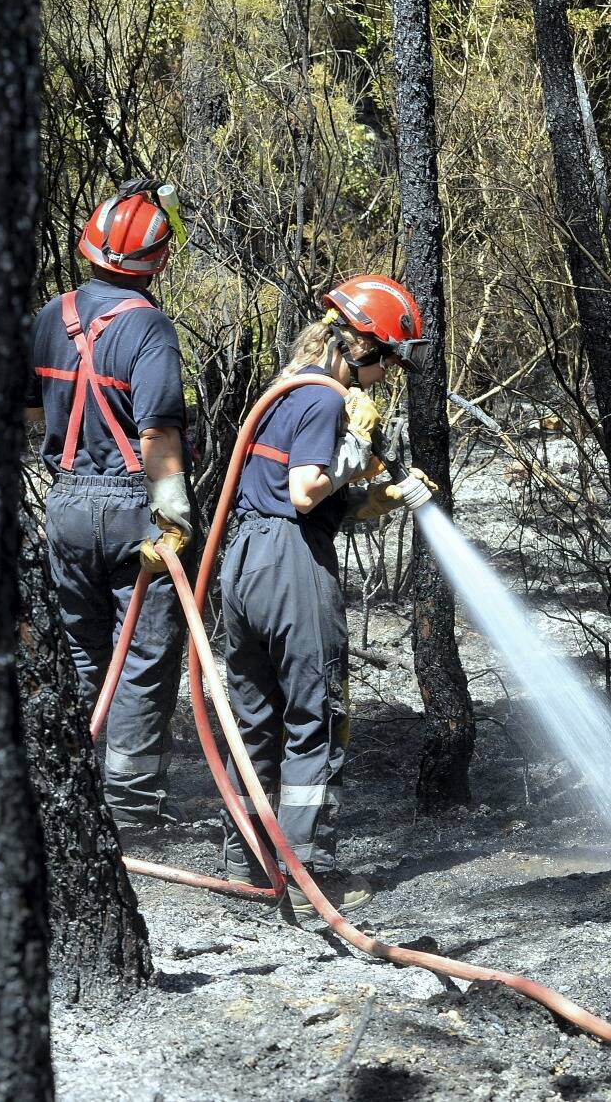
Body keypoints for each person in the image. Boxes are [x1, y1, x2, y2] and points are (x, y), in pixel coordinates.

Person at [222, 274, 435, 916]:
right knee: (315, 715)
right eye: (387, 360)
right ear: (361, 346)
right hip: (290, 564)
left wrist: (376, 494)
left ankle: (248, 862)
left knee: (253, 718)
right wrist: (360, 446)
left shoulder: (284, 390)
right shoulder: (324, 396)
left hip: (243, 562)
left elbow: (289, 488)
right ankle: (301, 866)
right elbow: (304, 491)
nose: (386, 374)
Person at [25, 178, 192, 832]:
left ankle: (77, 794)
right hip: (132, 511)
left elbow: (33, 407)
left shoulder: (51, 314)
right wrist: (174, 511)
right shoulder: (148, 326)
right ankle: (130, 807)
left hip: (65, 502)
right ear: (157, 260)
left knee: (81, 648)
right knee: (144, 653)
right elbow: (158, 432)